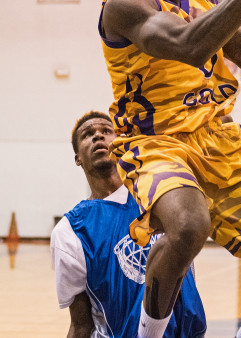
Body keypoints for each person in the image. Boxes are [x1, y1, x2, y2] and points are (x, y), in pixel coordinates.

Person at [99, 0, 241, 337]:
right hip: (155, 138)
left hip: (218, 139)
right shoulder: (123, 5)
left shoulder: (207, 3)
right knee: (190, 226)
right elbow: (188, 44)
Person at [50, 111, 207, 337]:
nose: (98, 137)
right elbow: (81, 324)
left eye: (106, 131)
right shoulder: (70, 231)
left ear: (122, 142)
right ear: (77, 158)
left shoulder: (161, 195)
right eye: (88, 134)